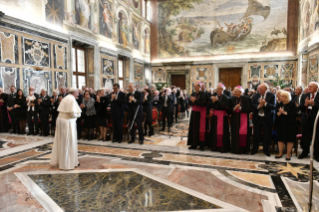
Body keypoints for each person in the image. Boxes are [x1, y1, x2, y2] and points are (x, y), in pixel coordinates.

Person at [50, 88, 82, 170]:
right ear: (74, 93)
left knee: (61, 141)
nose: (78, 94)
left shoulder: (65, 98)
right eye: (77, 92)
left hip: (61, 120)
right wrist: (79, 114)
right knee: (68, 142)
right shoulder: (71, 99)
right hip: (67, 122)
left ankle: (61, 161)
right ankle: (67, 163)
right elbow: (73, 114)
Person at [251, 83, 276, 156]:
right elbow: (252, 105)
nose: (259, 90)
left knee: (267, 135)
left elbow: (274, 106)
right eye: (258, 88)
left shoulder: (271, 95)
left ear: (266, 89)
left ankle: (266, 149)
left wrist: (265, 103)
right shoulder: (255, 95)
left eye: (260, 89)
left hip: (267, 118)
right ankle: (255, 149)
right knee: (256, 134)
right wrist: (259, 105)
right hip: (257, 117)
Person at [298, 82, 319, 160]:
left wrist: (313, 104)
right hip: (306, 119)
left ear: (316, 88)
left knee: (317, 137)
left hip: (316, 120)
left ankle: (316, 155)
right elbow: (300, 107)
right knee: (305, 137)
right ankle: (304, 152)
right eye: (309, 86)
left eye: (311, 87)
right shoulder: (305, 95)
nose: (309, 88)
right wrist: (305, 104)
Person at [275, 91, 297, 161]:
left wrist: (284, 112)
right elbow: (276, 113)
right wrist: (278, 114)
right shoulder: (280, 104)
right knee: (280, 138)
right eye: (280, 96)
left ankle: (288, 155)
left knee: (289, 139)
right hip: (281, 124)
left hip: (290, 124)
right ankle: (280, 153)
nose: (280, 97)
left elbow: (294, 114)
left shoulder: (292, 104)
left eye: (282, 96)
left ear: (287, 97)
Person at [229, 86, 252, 154]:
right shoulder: (232, 98)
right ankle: (234, 149)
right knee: (234, 133)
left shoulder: (246, 98)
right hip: (234, 118)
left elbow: (250, 109)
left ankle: (243, 150)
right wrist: (234, 108)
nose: (234, 93)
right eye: (234, 91)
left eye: (235, 92)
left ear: (240, 92)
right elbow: (229, 109)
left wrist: (240, 108)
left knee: (243, 133)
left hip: (243, 118)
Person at [208, 83, 230, 152]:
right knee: (214, 131)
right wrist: (213, 102)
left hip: (223, 117)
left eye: (219, 89)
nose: (217, 90)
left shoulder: (226, 97)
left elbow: (225, 107)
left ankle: (223, 147)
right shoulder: (214, 95)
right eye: (217, 89)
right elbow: (210, 105)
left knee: (223, 132)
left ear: (222, 89)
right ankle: (214, 146)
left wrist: (216, 101)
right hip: (215, 116)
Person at [187, 82, 208, 151]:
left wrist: (195, 101)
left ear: (199, 86)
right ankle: (193, 144)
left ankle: (202, 145)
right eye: (194, 86)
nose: (194, 87)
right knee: (194, 128)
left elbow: (204, 103)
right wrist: (192, 101)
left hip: (201, 113)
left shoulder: (204, 94)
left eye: (196, 86)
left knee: (201, 129)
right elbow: (189, 102)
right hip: (194, 113)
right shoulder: (193, 94)